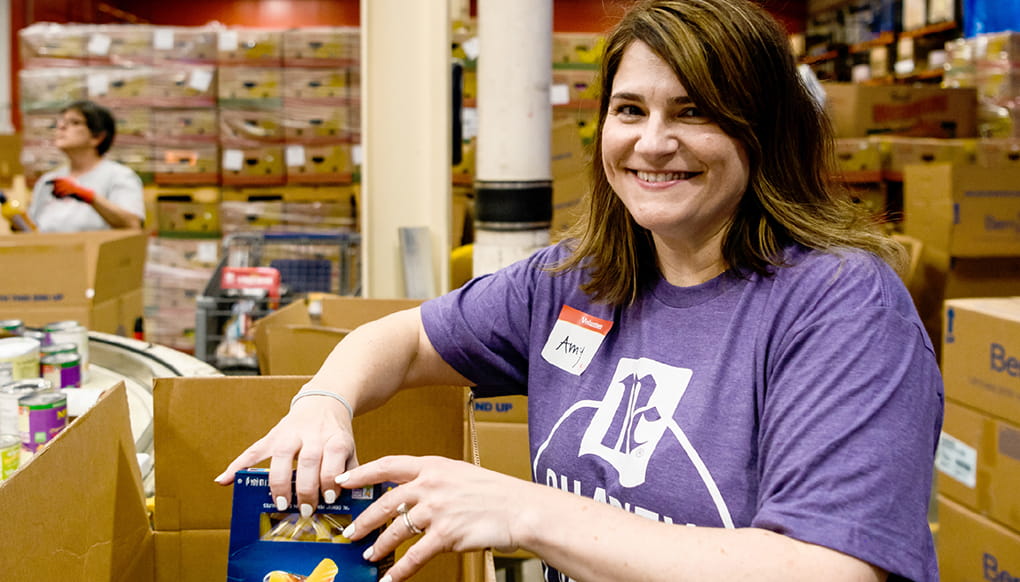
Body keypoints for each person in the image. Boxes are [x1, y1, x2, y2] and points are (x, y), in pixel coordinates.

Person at [218, 1, 944, 580]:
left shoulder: (841, 304)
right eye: (630, 110)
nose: (652, 143)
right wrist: (323, 403)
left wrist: (525, 511)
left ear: (765, 134)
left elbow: (829, 569)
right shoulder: (577, 278)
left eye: (694, 111)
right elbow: (402, 339)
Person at [27, 100, 144, 232]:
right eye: (61, 122)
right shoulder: (48, 181)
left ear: (97, 137)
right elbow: (33, 229)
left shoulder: (119, 176)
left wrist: (89, 197)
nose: (61, 127)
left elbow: (132, 223)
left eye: (75, 122)